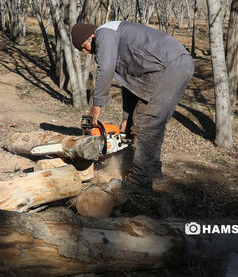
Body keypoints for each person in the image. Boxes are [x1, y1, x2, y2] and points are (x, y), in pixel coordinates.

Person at [71, 21, 194, 193]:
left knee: (147, 123)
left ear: (90, 37)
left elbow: (105, 69)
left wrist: (97, 106)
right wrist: (126, 119)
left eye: (83, 47)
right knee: (153, 123)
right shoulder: (114, 37)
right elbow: (130, 84)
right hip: (176, 63)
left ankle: (139, 182)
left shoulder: (104, 33)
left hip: (169, 65)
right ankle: (152, 171)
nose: (85, 53)